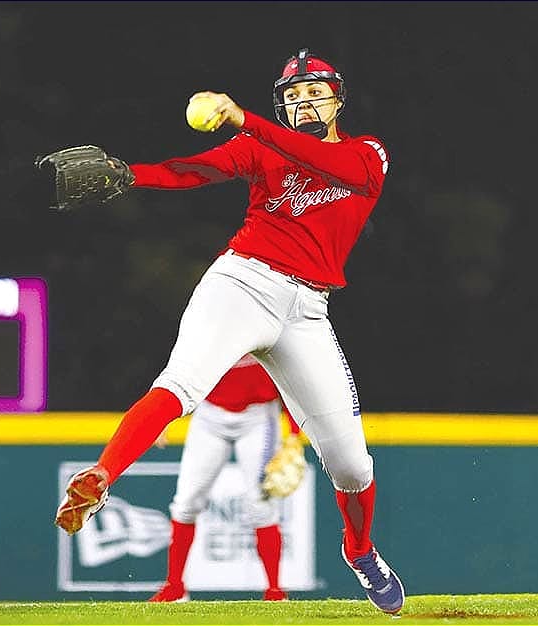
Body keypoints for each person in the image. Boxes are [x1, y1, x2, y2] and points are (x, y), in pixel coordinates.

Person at [54, 48, 405, 614]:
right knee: (180, 383)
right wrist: (132, 174)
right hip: (242, 281)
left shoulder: (367, 153)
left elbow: (326, 163)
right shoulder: (263, 144)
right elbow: (195, 169)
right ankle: (102, 474)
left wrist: (246, 119)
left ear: (338, 99)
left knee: (351, 465)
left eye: (315, 91)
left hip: (307, 311)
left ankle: (359, 550)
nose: (304, 101)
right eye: (293, 95)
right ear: (283, 107)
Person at [149, 354, 301, 603]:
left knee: (261, 506)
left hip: (259, 415)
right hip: (210, 414)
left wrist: (294, 434)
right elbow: (182, 365)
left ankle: (275, 591)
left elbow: (289, 375)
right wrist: (161, 414)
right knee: (186, 503)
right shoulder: (207, 329)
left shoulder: (267, 329)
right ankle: (175, 587)